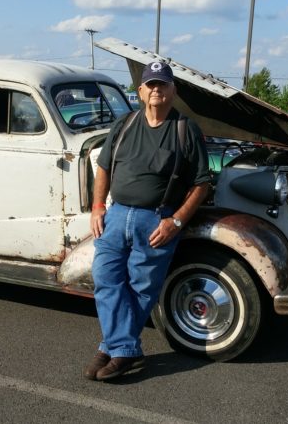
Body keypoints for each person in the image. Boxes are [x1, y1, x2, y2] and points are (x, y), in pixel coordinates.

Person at [85, 61, 210, 381]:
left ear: (173, 91)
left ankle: (112, 348)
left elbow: (201, 183)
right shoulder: (125, 123)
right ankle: (121, 347)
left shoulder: (185, 128)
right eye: (151, 84)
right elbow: (104, 167)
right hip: (116, 215)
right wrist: (97, 206)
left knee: (141, 287)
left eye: (162, 84)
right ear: (140, 91)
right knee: (105, 278)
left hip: (156, 220)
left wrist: (176, 222)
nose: (156, 89)